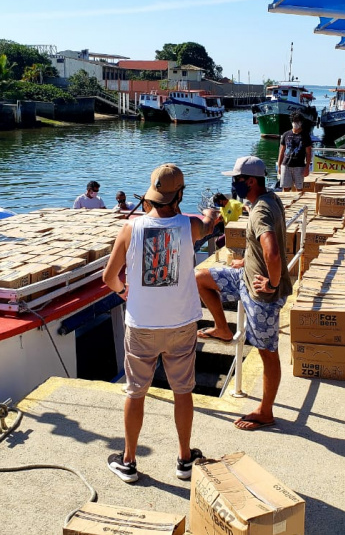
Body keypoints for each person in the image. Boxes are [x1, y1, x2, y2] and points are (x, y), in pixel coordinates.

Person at [102, 164, 220, 483]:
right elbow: (209, 223)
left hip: (142, 324)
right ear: (179, 195)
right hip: (181, 323)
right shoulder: (190, 226)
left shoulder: (130, 228)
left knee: (135, 392)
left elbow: (109, 277)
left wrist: (125, 292)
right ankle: (184, 459)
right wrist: (213, 210)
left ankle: (128, 460)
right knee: (182, 391)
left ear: (151, 195)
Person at [196, 156, 293, 431]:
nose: (233, 185)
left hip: (262, 295)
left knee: (267, 353)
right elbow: (261, 244)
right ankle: (222, 329)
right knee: (200, 278)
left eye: (236, 180)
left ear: (250, 181)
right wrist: (247, 259)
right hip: (245, 277)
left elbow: (273, 252)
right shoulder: (269, 199)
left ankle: (266, 411)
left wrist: (272, 284)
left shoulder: (261, 210)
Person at [277, 112, 313, 192]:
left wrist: (307, 167)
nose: (296, 123)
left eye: (298, 121)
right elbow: (281, 151)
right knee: (285, 188)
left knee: (299, 189)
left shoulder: (305, 135)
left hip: (299, 166)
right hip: (286, 165)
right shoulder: (286, 134)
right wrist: (279, 166)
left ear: (301, 122)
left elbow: (308, 153)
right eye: (294, 121)